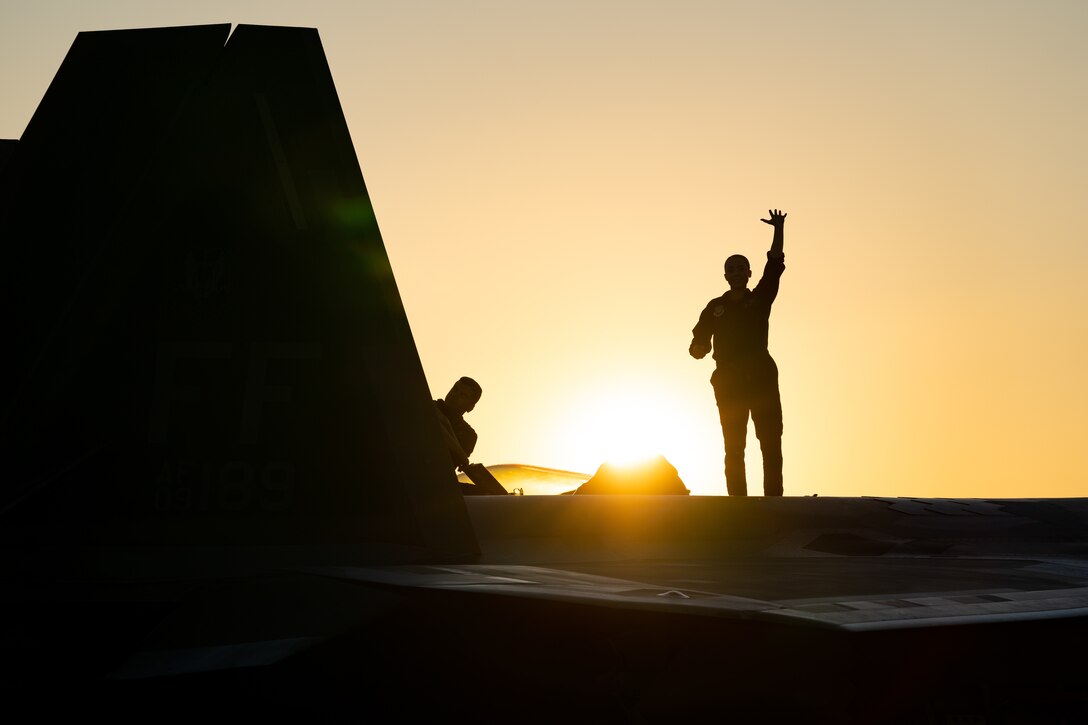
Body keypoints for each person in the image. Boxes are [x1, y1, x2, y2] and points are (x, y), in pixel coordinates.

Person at [689, 209, 787, 496]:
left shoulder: (759, 299)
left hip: (760, 377)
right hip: (729, 381)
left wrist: (778, 228)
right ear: (724, 275)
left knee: (770, 442)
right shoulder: (715, 307)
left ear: (748, 273)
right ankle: (737, 503)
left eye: (740, 268)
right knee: (734, 446)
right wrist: (699, 348)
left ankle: (774, 500)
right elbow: (699, 339)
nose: (735, 273)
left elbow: (775, 264)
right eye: (730, 269)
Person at [434, 376, 482, 473]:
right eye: (455, 389)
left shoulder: (468, 436)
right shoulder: (427, 405)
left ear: (470, 407)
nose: (455, 395)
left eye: (463, 395)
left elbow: (447, 463)